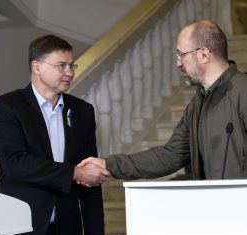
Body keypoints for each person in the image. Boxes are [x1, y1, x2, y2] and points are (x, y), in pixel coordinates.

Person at [79, 19, 247, 182]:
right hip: (216, 207)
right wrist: (109, 164)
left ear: (203, 54)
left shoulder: (243, 91)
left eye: (181, 55)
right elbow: (171, 155)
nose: (178, 63)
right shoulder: (197, 105)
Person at [0, 35, 110, 235]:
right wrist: (74, 173)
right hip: (20, 231)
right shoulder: (7, 106)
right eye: (61, 66)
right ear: (37, 67)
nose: (70, 72)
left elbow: (90, 177)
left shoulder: (83, 112)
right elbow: (16, 163)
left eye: (71, 65)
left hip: (67, 234)